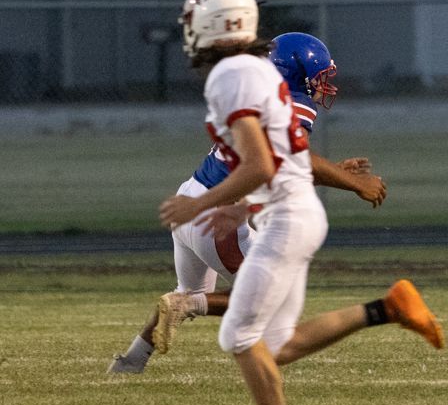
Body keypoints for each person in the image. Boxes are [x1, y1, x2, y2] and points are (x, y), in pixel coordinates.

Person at [157, 0, 444, 405]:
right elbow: (281, 159)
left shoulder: (233, 76)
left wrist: (204, 204)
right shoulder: (256, 73)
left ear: (216, 25)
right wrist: (244, 206)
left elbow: (263, 163)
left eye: (193, 22)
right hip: (290, 212)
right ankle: (388, 308)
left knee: (239, 336)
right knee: (278, 343)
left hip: (287, 219)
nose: (188, 31)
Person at [108, 32, 388, 374]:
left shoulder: (255, 95)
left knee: (193, 290)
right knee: (267, 301)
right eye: (318, 76)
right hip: (218, 215)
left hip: (192, 196)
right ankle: (181, 306)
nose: (323, 85)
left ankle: (129, 363)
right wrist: (355, 183)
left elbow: (279, 164)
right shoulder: (294, 100)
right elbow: (291, 159)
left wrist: (333, 172)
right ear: (296, 72)